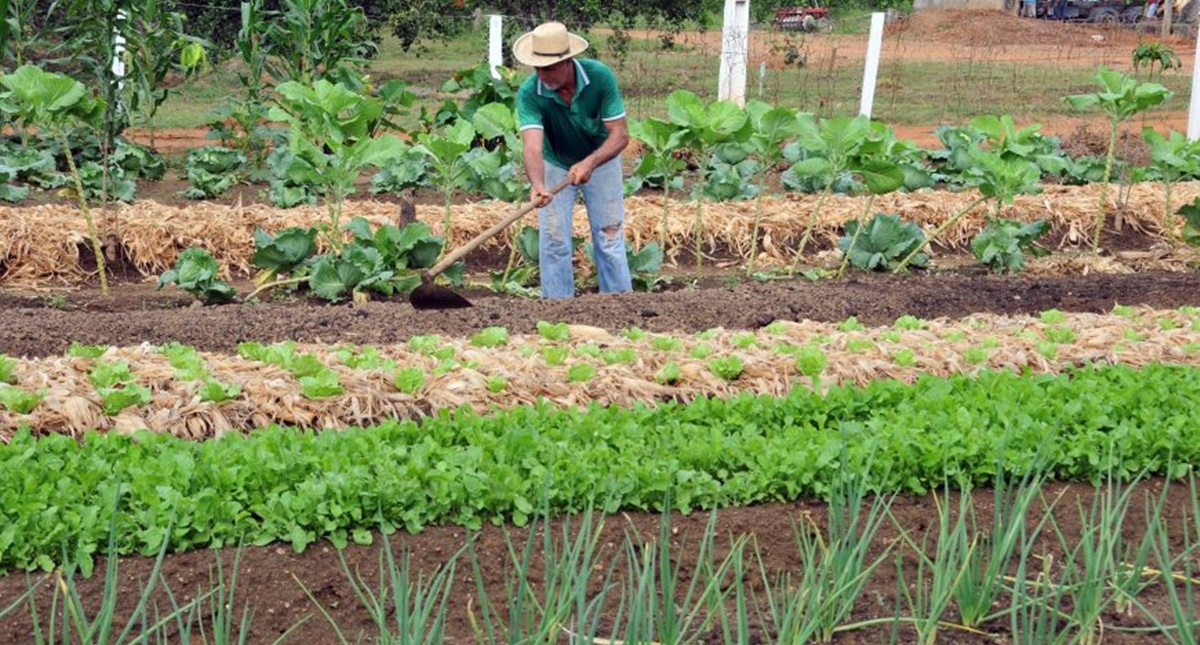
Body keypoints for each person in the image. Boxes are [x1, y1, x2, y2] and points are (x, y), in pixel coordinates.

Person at [513, 21, 633, 299]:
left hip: (601, 159)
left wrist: (590, 163)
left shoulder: (599, 77)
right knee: (554, 240)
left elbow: (621, 135)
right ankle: (556, 309)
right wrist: (538, 184)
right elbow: (532, 144)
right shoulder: (530, 93)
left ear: (568, 61)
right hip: (555, 162)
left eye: (549, 68)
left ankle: (620, 304)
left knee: (609, 236)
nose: (542, 75)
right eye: (537, 68)